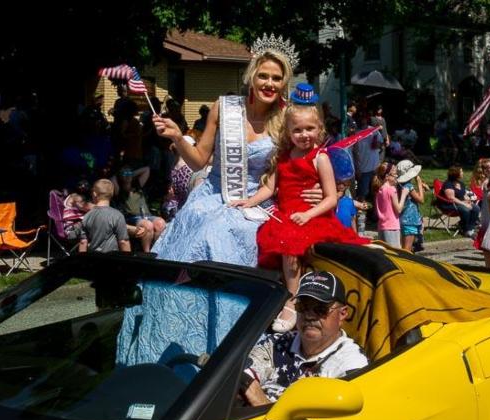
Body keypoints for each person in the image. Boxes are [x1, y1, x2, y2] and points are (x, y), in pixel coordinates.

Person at [151, 37, 323, 267]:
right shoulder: (224, 107)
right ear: (251, 77)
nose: (269, 83)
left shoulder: (288, 119)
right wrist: (177, 136)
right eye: (263, 76)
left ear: (284, 83)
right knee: (198, 228)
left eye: (276, 78)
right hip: (213, 195)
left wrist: (320, 188)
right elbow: (198, 162)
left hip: (258, 200)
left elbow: (313, 159)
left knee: (222, 232)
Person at [232, 87, 368, 332]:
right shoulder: (284, 156)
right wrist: (250, 201)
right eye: (298, 130)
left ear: (319, 129)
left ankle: (293, 300)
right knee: (263, 238)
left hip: (312, 217)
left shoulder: (320, 158)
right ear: (288, 132)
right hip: (286, 215)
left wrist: (308, 214)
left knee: (288, 243)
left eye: (309, 129)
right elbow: (271, 187)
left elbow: (330, 199)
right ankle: (271, 295)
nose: (304, 134)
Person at [240, 270, 368, 406]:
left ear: (342, 314)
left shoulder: (352, 365)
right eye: (303, 307)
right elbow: (240, 377)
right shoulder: (277, 343)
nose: (309, 316)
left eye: (320, 309)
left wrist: (262, 403)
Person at [112, 166, 166, 253]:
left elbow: (146, 169)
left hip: (147, 215)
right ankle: (147, 253)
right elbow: (113, 178)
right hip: (133, 218)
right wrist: (119, 175)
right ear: (120, 176)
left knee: (161, 223)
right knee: (148, 225)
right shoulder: (119, 190)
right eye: (125, 174)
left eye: (129, 173)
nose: (127, 175)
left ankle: (156, 250)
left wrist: (132, 174)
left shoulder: (137, 185)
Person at [78, 179, 131, 253]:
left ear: (94, 194)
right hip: (111, 259)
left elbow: (83, 242)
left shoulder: (87, 216)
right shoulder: (117, 215)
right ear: (112, 194)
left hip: (92, 260)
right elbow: (123, 242)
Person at [372, 162, 408, 248]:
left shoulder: (379, 189)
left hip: (382, 227)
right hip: (392, 227)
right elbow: (398, 209)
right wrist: (404, 194)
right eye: (395, 174)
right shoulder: (391, 189)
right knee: (394, 254)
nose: (396, 177)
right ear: (387, 176)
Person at [439, 166, 480, 238]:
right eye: (461, 172)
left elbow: (463, 195)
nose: (463, 173)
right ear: (456, 174)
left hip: (459, 203)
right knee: (465, 209)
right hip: (449, 204)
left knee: (476, 208)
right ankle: (465, 229)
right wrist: (464, 204)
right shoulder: (448, 184)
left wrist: (468, 200)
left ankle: (470, 228)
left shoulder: (461, 183)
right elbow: (451, 198)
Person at [396, 160, 427, 252]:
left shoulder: (400, 185)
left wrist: (421, 190)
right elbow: (421, 200)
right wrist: (419, 184)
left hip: (404, 219)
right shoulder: (408, 185)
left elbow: (412, 198)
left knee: (404, 247)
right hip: (410, 220)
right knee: (407, 250)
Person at [352, 114, 382, 202]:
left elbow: (381, 144)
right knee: (363, 192)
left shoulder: (373, 130)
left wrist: (377, 144)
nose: (362, 120)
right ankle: (361, 210)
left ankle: (377, 208)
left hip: (375, 166)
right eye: (360, 118)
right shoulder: (356, 133)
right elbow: (354, 152)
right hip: (363, 168)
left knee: (376, 189)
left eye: (364, 118)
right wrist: (357, 168)